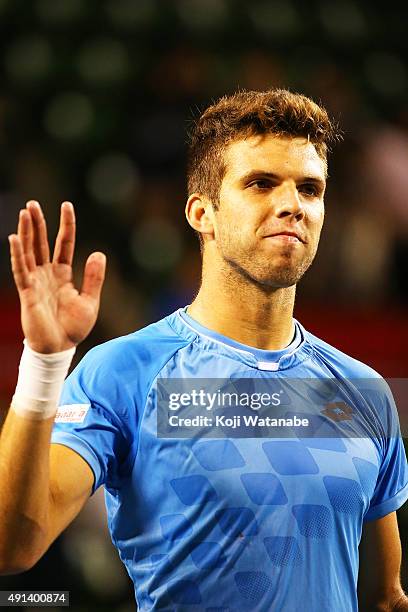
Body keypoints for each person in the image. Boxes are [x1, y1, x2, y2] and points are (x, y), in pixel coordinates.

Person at [1, 89, 407, 611]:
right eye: (261, 183)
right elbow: (14, 546)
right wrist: (43, 362)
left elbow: (384, 598)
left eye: (310, 188)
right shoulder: (125, 372)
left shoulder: (363, 391)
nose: (292, 205)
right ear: (201, 212)